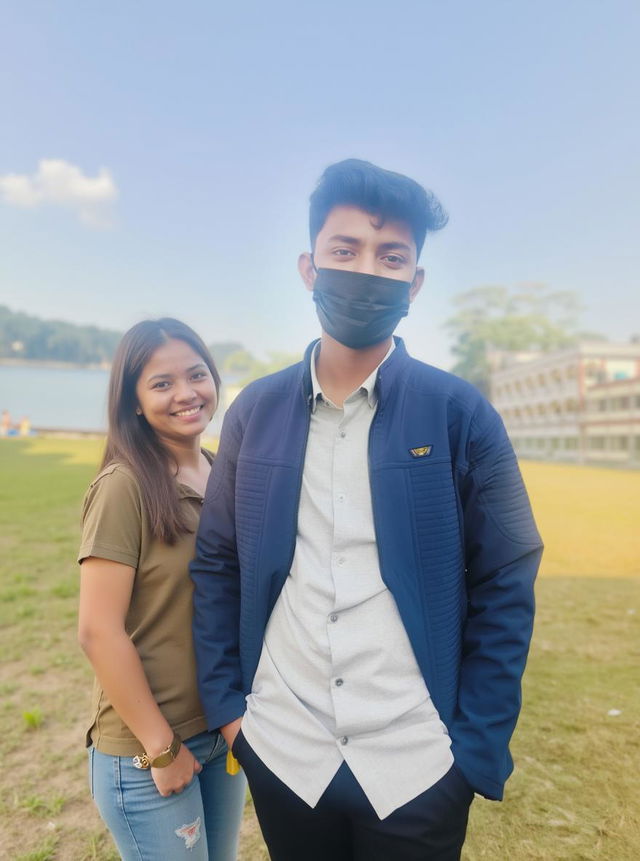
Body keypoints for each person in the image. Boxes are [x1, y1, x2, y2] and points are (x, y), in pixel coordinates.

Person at [191, 160, 543, 860]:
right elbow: (217, 562)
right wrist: (232, 713)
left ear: (414, 283)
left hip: (417, 762)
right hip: (283, 749)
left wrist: (472, 748)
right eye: (344, 250)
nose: (365, 270)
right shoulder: (254, 412)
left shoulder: (460, 413)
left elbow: (508, 576)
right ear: (308, 266)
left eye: (390, 257)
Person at [77, 318, 246, 861]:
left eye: (196, 374)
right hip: (150, 746)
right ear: (132, 401)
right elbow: (98, 632)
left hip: (221, 729)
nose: (186, 393)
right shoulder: (123, 487)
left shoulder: (221, 470)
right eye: (161, 383)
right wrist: (160, 745)